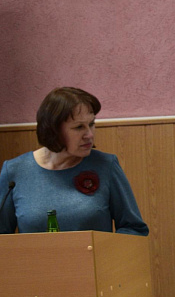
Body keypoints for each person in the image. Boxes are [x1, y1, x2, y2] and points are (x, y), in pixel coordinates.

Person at [0, 87, 148, 236]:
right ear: (53, 130)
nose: (89, 135)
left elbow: (134, 229)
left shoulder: (106, 165)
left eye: (91, 124)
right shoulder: (14, 171)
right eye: (79, 127)